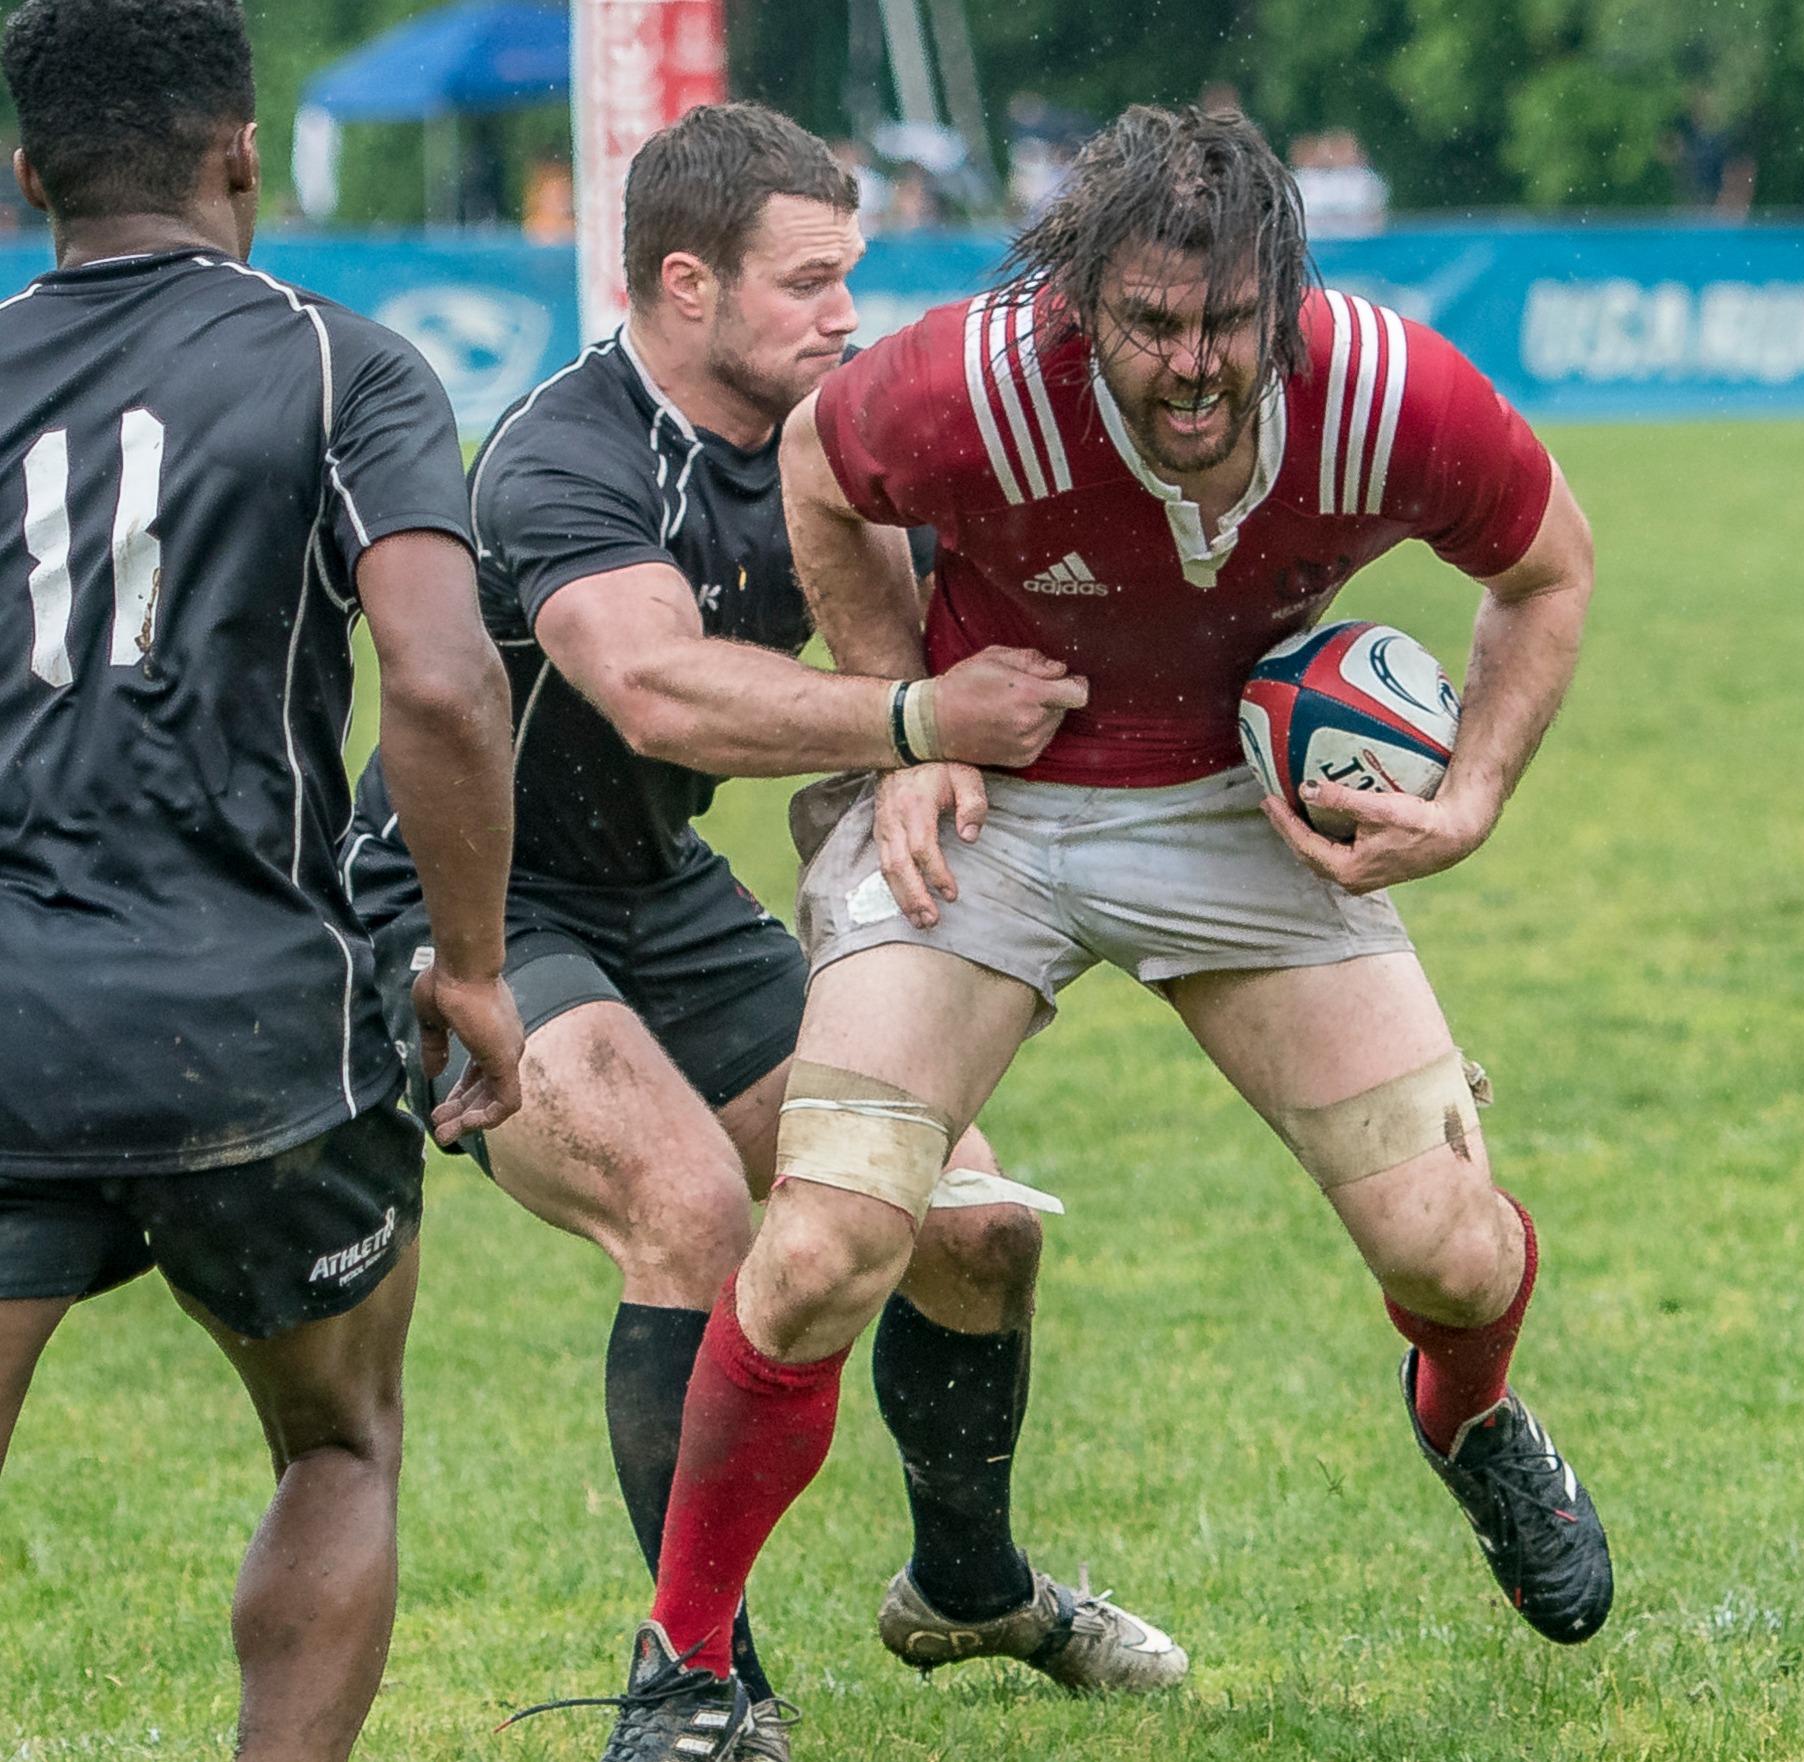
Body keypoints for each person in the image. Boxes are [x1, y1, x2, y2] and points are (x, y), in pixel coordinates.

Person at [571, 103, 1612, 1759]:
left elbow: (1547, 569)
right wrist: (894, 722)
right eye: (1148, 324)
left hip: (1240, 811)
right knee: (830, 1240)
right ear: (1077, 306)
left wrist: (1472, 795)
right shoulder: (968, 379)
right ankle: (684, 1664)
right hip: (1000, 804)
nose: (1193, 366)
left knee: (1451, 1250)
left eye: (1227, 324)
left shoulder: (1388, 390)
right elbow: (822, 472)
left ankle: (1471, 1417)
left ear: (1284, 294)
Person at [348, 104, 1189, 1758]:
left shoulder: (839, 439)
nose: (843, 314)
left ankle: (970, 1586)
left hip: (664, 896)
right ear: (683, 285)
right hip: (470, 903)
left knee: (973, 1222)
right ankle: (696, 1683)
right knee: (684, 1209)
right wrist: (906, 712)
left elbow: (954, 653)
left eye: (850, 276)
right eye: (806, 284)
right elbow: (654, 688)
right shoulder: (564, 451)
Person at [0, 0, 526, 1757]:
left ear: (26, 176)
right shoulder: (344, 365)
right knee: (335, 1438)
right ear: (241, 156)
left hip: (8, 1020)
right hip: (263, 1030)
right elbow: (445, 685)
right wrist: (471, 967)